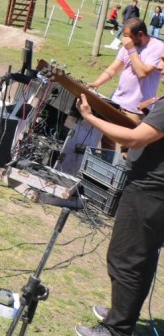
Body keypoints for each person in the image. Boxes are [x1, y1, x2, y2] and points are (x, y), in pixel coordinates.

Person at [74, 92, 164, 336]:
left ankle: (117, 329)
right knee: (140, 260)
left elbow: (136, 139)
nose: (161, 66)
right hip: (154, 193)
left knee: (126, 260)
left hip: (149, 193)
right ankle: (122, 315)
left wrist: (90, 117)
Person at [87, 18, 164, 154]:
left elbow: (142, 73)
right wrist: (96, 83)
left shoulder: (157, 48)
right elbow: (113, 69)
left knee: (128, 149)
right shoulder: (128, 46)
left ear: (140, 34)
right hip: (117, 102)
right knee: (107, 141)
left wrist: (131, 49)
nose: (125, 40)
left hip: (136, 109)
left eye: (128, 36)